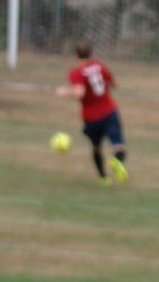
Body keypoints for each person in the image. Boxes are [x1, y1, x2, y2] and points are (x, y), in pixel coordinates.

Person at [55, 40, 128, 185]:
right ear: (91, 53)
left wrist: (64, 92)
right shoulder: (100, 65)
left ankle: (104, 178)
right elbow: (113, 84)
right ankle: (116, 161)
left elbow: (79, 93)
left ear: (76, 55)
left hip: (92, 117)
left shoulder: (76, 72)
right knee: (118, 145)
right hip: (109, 110)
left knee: (96, 147)